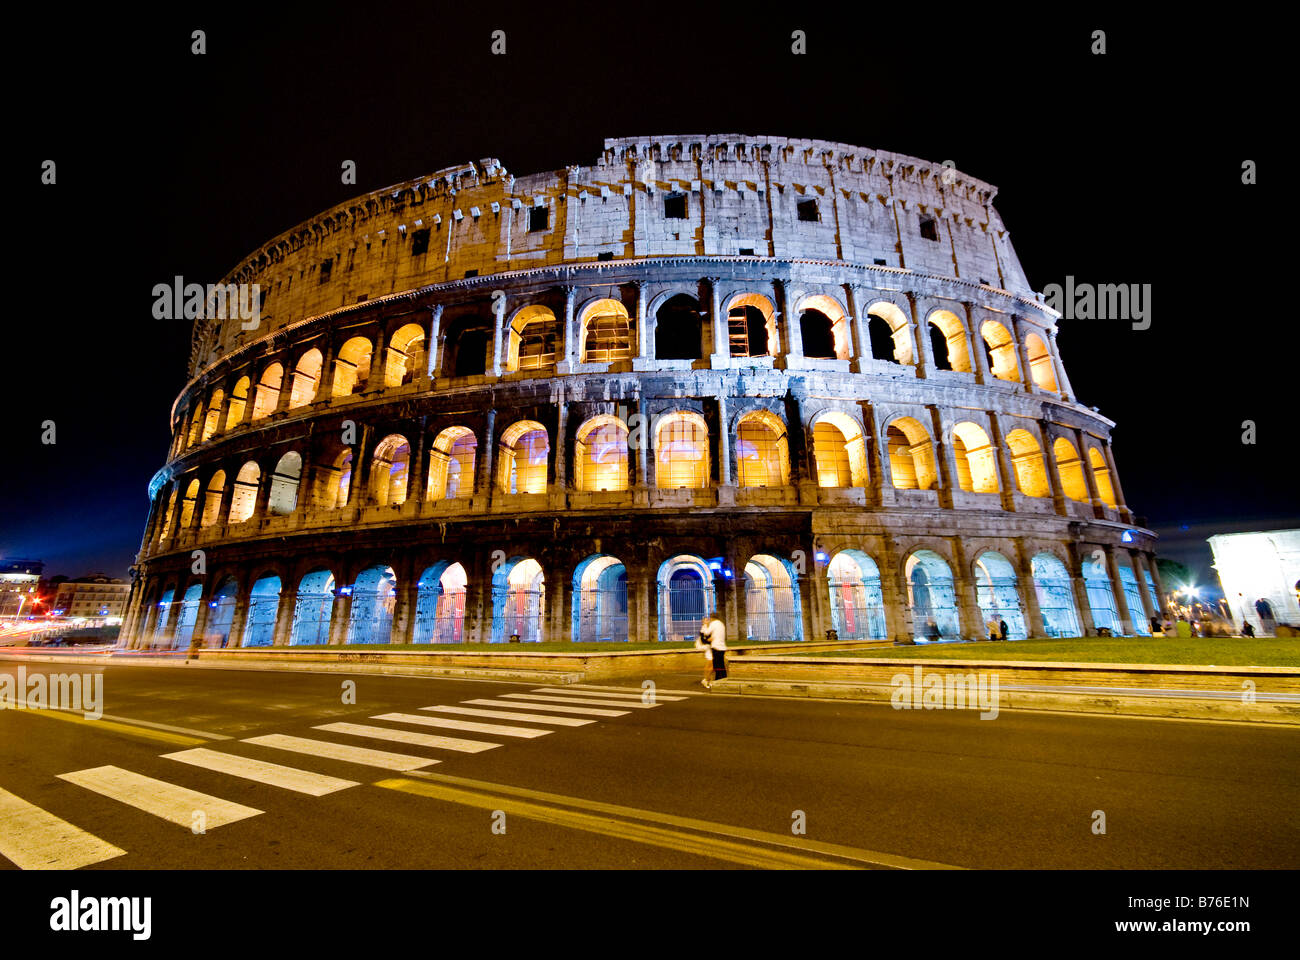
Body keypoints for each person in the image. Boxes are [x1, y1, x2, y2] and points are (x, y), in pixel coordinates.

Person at [696, 614, 727, 689]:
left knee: (713, 665)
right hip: (708, 648)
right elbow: (704, 639)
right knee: (711, 665)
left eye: (708, 619)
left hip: (713, 647)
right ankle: (706, 680)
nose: (708, 620)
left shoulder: (712, 626)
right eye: (706, 620)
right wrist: (709, 640)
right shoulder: (704, 628)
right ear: (703, 622)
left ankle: (709, 680)